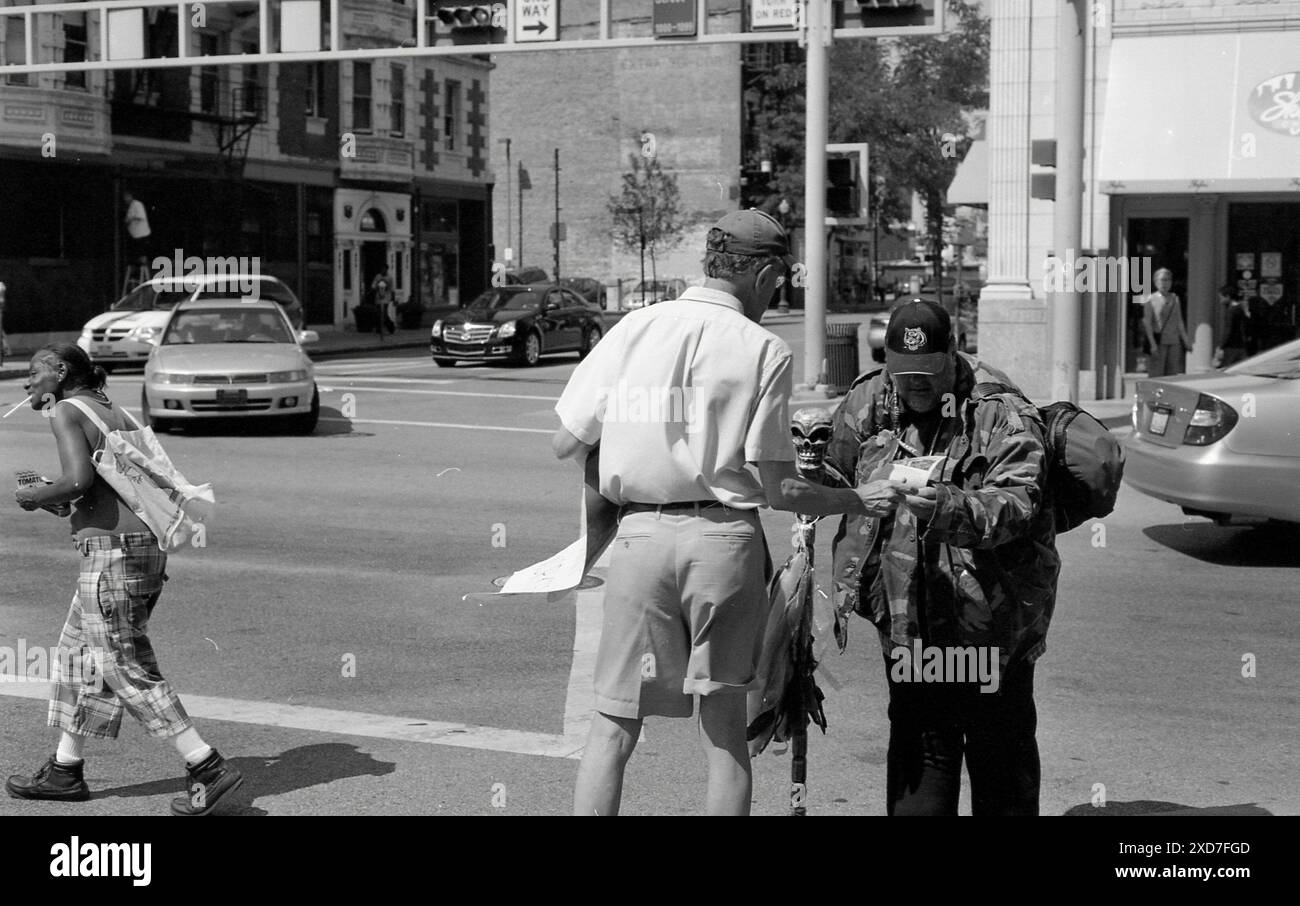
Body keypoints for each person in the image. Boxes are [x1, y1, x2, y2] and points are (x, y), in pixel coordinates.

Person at [552, 209, 899, 816]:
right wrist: (857, 498)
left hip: (639, 538)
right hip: (722, 542)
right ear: (763, 274)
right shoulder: (762, 348)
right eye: (780, 280)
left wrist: (646, 443)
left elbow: (568, 442)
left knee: (612, 729)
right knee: (724, 733)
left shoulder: (634, 328)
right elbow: (781, 490)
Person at [823, 300, 1061, 816]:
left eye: (928, 374)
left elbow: (1021, 502)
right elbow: (834, 480)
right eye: (903, 374)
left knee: (1001, 757)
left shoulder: (999, 409)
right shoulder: (868, 398)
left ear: (952, 354)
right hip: (908, 620)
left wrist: (952, 507)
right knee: (920, 753)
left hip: (993, 625)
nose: (915, 387)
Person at [7, 344, 243, 816]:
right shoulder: (112, 409)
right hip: (139, 548)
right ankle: (64, 770)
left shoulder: (67, 412)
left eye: (35, 372)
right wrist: (64, 498)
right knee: (80, 657)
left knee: (122, 662)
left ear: (60, 372)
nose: (27, 382)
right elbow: (107, 482)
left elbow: (74, 480)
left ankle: (206, 765)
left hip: (113, 556)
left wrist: (35, 495)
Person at [1141, 268, 1191, 377]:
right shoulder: (1149, 299)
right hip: (1158, 341)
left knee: (1172, 374)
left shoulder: (1175, 298)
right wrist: (1152, 344)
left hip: (1174, 341)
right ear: (1155, 282)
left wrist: (1186, 340)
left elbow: (1179, 321)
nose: (1165, 283)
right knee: (1157, 373)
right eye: (1162, 280)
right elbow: (1147, 323)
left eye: (1168, 280)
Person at [1215, 284, 1253, 368]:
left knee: (1226, 370)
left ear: (1228, 297)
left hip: (1231, 347)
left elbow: (1228, 330)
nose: (1220, 300)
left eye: (1221, 297)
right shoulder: (1240, 309)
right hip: (1241, 346)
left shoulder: (1231, 311)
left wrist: (1221, 346)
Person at [370, 268, 395, 339]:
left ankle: (390, 326)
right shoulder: (378, 277)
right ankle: (379, 328)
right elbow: (373, 285)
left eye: (384, 269)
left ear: (386, 270)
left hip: (386, 298)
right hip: (379, 298)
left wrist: (393, 297)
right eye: (382, 269)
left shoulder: (389, 278)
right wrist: (374, 287)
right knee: (378, 313)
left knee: (384, 313)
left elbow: (392, 288)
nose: (383, 271)